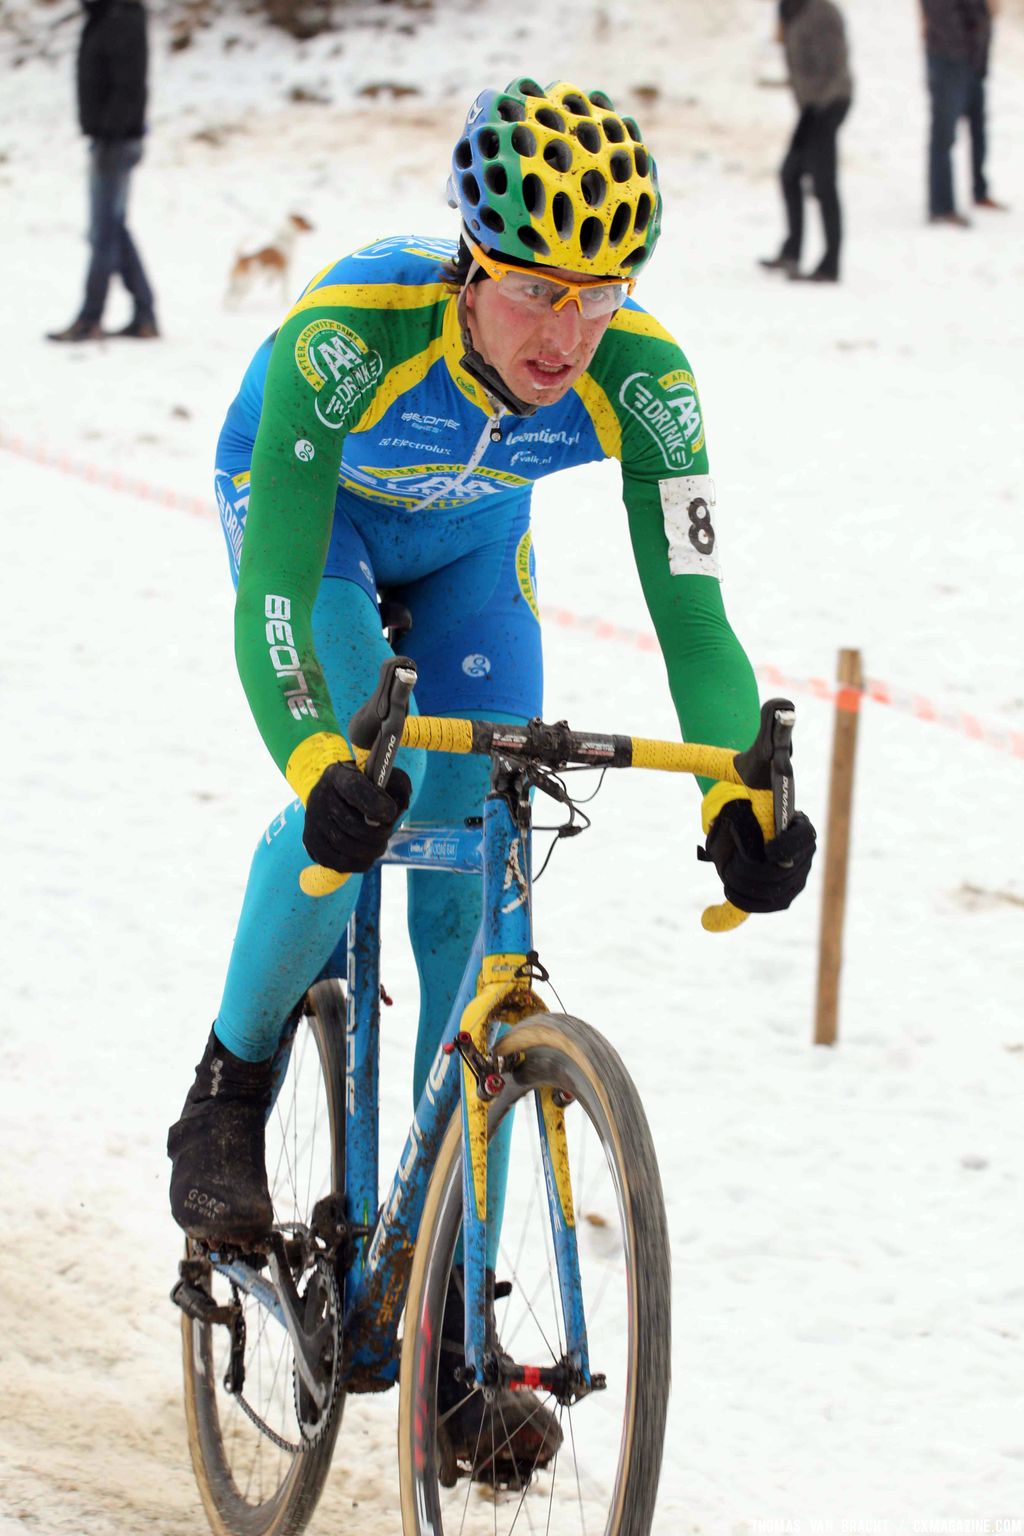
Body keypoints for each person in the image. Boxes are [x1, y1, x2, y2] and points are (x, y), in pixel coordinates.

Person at [167, 76, 817, 1474]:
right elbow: (275, 591)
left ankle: (456, 1354)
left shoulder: (647, 378)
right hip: (318, 534)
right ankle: (226, 1091)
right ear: (468, 263)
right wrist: (315, 754)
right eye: (534, 291)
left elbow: (694, 621)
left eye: (602, 293)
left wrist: (735, 796)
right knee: (355, 803)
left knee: (468, 915)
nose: (568, 334)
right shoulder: (349, 335)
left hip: (470, 557)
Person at [47, 0, 158, 343]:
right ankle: (144, 315)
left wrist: (109, 132)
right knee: (112, 228)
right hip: (109, 138)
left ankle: (89, 318)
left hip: (115, 141)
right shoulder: (104, 14)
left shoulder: (120, 16)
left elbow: (128, 85)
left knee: (103, 234)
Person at [759, 0, 853, 283]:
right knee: (790, 174)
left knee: (823, 183)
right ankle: (792, 251)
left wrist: (816, 108)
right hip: (812, 105)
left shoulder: (820, 11)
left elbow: (832, 65)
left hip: (829, 102)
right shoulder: (792, 9)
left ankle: (830, 264)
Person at [921, 0, 1007, 225]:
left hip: (972, 61)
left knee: (979, 129)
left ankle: (980, 191)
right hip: (949, 61)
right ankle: (941, 207)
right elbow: (941, 17)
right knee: (944, 135)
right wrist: (966, 46)